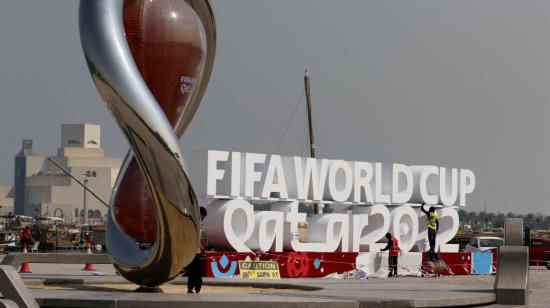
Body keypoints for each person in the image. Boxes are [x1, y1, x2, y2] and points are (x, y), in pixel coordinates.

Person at [187, 206, 208, 294]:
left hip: (195, 251)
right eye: (203, 216)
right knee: (196, 271)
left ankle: (192, 288)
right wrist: (202, 248)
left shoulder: (198, 224)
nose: (203, 219)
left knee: (193, 270)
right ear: (200, 214)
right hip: (195, 251)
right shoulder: (195, 224)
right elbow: (195, 238)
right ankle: (194, 288)